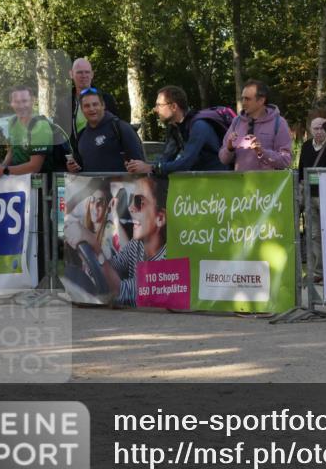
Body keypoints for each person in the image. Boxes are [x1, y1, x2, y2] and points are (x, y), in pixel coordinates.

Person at [65, 175, 167, 308]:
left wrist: (95, 248)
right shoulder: (137, 245)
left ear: (160, 218)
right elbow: (112, 266)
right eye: (131, 200)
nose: (130, 207)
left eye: (139, 202)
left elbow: (120, 292)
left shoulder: (166, 262)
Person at [125, 86, 227, 175]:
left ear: (174, 106)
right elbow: (166, 159)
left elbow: (185, 162)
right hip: (201, 184)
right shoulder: (175, 127)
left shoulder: (199, 126)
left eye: (159, 105)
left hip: (218, 185)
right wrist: (138, 166)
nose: (155, 109)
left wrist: (151, 168)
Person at [298, 117, 326, 283]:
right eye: (315, 128)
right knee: (314, 234)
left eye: (322, 128)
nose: (319, 131)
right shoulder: (306, 146)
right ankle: (318, 271)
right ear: (310, 129)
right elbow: (301, 169)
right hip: (310, 194)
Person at [66, 88, 144, 174]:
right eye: (87, 106)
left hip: (122, 186)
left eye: (95, 104)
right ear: (82, 109)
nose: (92, 109)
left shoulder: (121, 128)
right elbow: (80, 168)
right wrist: (73, 168)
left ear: (103, 105)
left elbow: (140, 166)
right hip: (91, 187)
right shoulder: (81, 135)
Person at [219, 80, 293, 171]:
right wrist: (229, 148)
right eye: (242, 98)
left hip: (268, 184)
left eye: (247, 99)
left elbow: (286, 161)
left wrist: (261, 151)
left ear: (261, 100)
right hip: (241, 183)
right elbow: (223, 160)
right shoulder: (236, 122)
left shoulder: (279, 123)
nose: (243, 103)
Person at [0, 86, 54, 179]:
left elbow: (35, 167)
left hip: (41, 183)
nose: (21, 106)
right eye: (16, 102)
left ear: (32, 101)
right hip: (19, 180)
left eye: (24, 101)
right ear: (11, 103)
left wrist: (4, 170)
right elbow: (12, 150)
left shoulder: (40, 126)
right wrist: (0, 167)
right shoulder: (12, 122)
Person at [69, 58, 119, 156]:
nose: (84, 76)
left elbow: (116, 128)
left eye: (87, 72)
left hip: (104, 154)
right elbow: (60, 134)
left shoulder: (106, 99)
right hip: (75, 158)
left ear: (92, 74)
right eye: (79, 72)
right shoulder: (64, 103)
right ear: (71, 74)